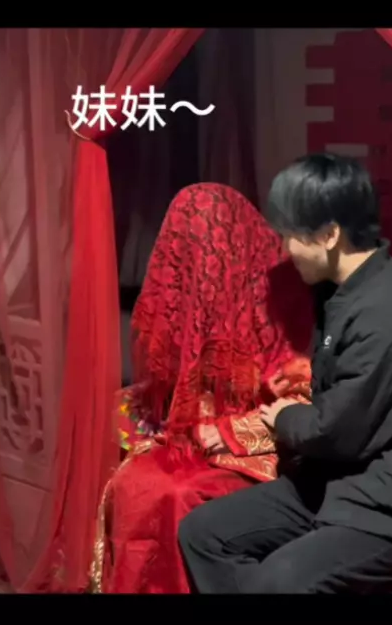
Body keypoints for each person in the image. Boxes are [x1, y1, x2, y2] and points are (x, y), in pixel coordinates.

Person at [178, 153, 392, 594]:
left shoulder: (386, 310)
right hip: (342, 478)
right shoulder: (349, 289)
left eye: (290, 236)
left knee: (277, 582)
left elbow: (336, 432)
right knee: (203, 534)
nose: (284, 249)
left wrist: (283, 418)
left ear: (329, 235)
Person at [90, 183, 315, 594]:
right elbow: (173, 372)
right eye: (185, 245)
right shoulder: (185, 288)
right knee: (126, 472)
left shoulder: (281, 292)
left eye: (208, 244)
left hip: (264, 441)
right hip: (197, 428)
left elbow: (310, 398)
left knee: (175, 493)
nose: (199, 259)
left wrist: (232, 430)